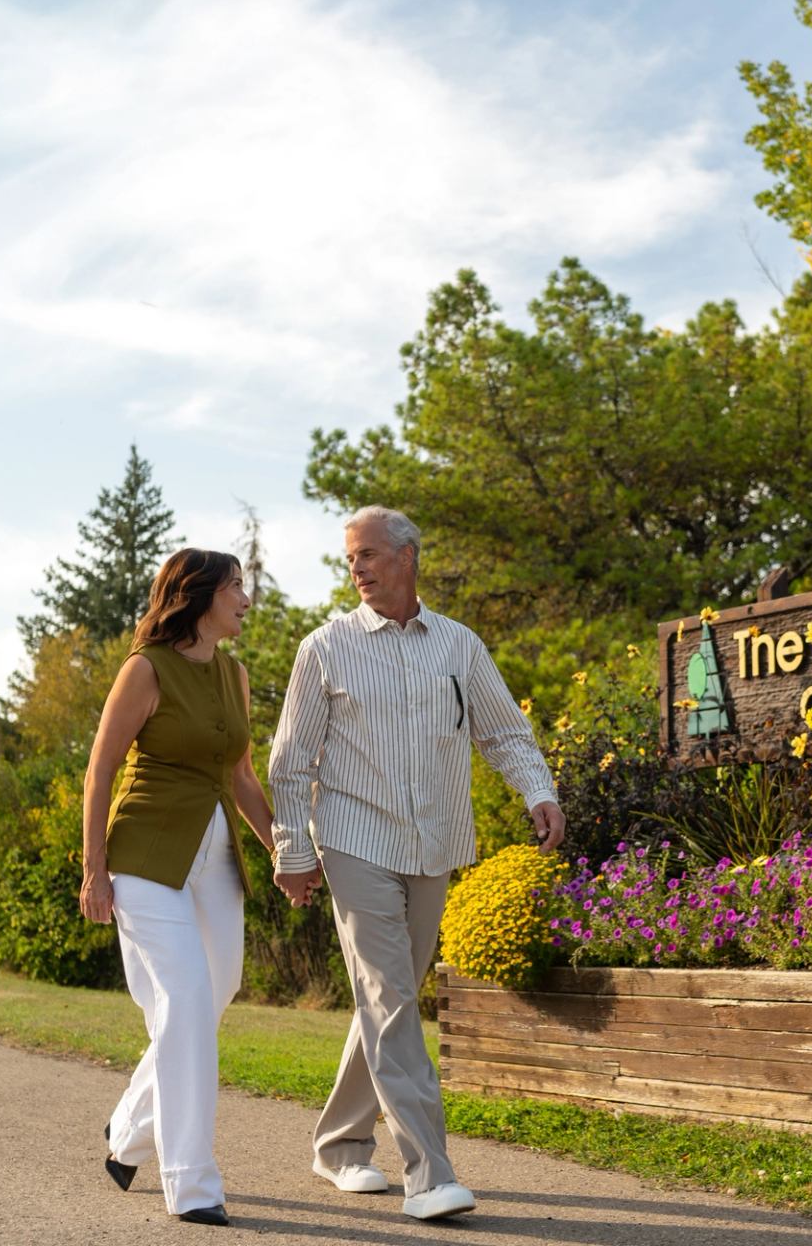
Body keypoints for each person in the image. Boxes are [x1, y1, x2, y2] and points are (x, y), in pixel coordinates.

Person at [267, 505, 564, 1221]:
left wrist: (538, 791)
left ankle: (338, 1144)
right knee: (394, 1000)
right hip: (355, 840)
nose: (358, 568)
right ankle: (428, 1174)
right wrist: (295, 851)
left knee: (387, 996)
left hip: (434, 844)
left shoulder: (459, 645)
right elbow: (288, 762)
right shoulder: (325, 647)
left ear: (407, 557)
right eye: (349, 560)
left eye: (369, 554)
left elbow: (502, 730)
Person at [79, 549, 284, 1229]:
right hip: (144, 856)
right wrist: (94, 868)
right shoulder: (146, 668)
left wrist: (287, 851)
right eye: (236, 589)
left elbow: (244, 778)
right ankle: (191, 1182)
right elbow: (102, 768)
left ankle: (130, 1131)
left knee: (213, 990)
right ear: (201, 597)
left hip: (215, 853)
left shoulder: (236, 675)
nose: (246, 600)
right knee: (186, 996)